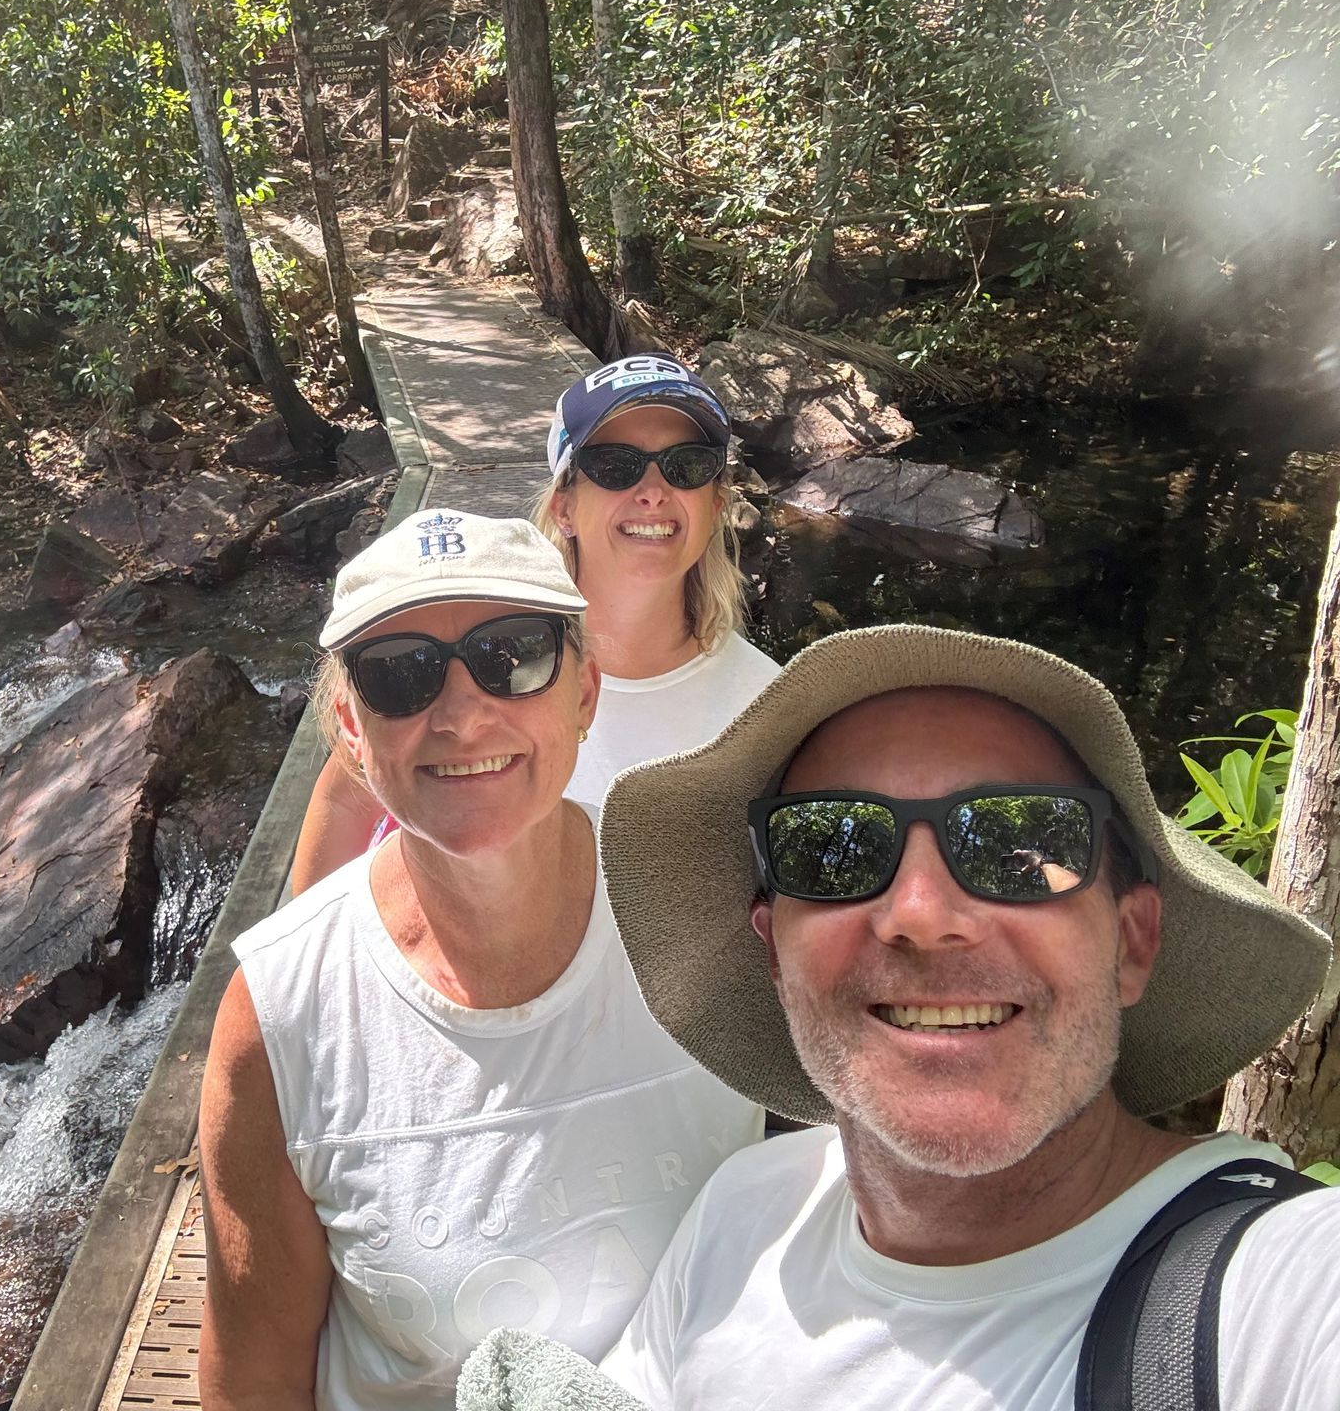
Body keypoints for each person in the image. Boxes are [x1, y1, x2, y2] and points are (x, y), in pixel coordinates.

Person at [573, 624, 1340, 1409]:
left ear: (1131, 945)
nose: (920, 913)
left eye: (1022, 845)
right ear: (774, 953)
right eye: (835, 848)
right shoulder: (743, 1219)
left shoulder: (1283, 1295)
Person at [199, 510, 765, 1410]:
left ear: (585, 692)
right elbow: (252, 1378)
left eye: (515, 655)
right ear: (349, 727)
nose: (463, 715)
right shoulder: (279, 1018)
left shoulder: (713, 920)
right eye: (399, 676)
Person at [288, 354, 777, 894]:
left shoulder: (770, 704)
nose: (654, 491)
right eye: (615, 465)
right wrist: (307, 964)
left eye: (686, 465)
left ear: (717, 503)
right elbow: (349, 788)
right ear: (564, 508)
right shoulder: (477, 643)